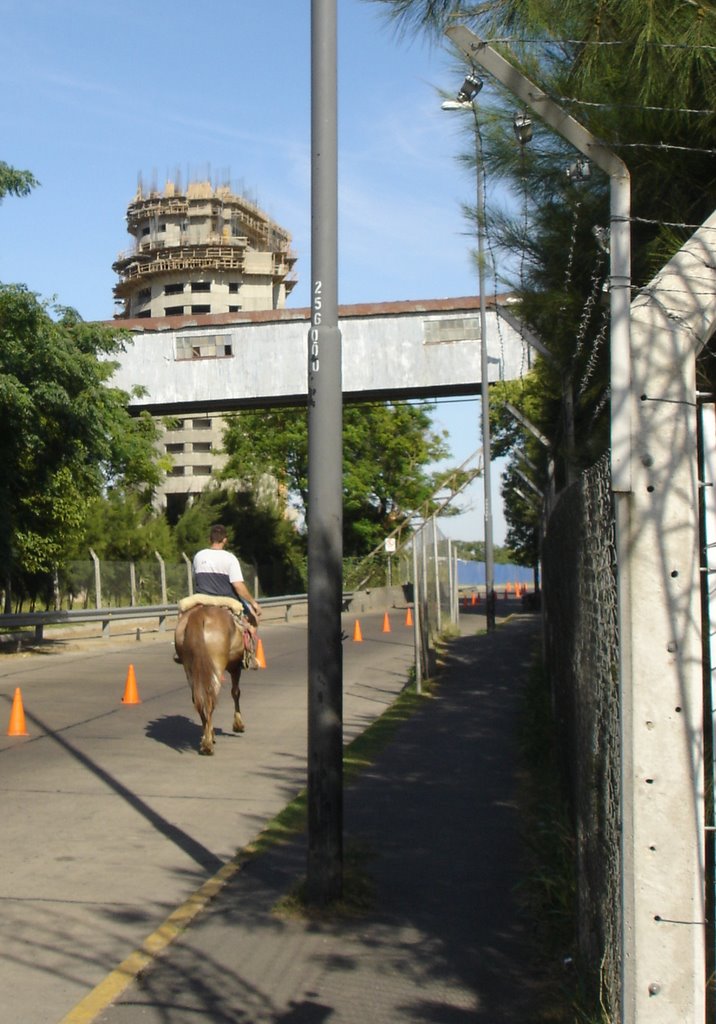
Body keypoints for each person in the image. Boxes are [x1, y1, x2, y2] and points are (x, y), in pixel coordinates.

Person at [174, 524, 261, 664]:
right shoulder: (230, 558)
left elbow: (196, 578)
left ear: (210, 539)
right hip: (226, 600)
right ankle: (247, 653)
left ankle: (180, 650)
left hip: (201, 599)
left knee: (182, 614)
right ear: (225, 540)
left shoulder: (198, 556)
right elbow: (238, 585)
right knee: (253, 619)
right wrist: (253, 603)